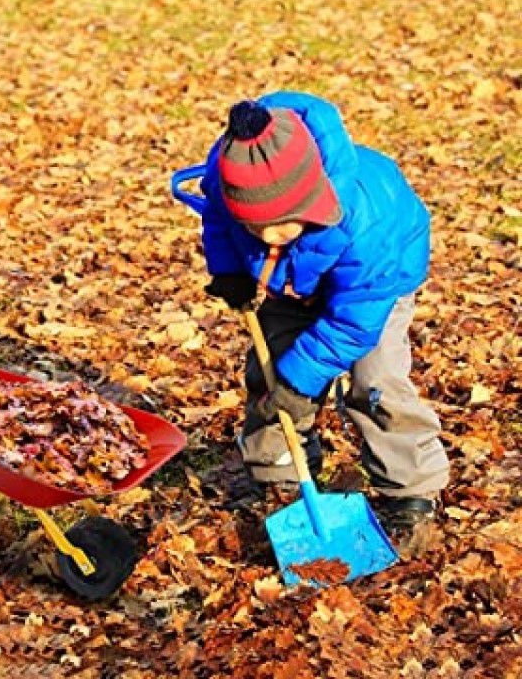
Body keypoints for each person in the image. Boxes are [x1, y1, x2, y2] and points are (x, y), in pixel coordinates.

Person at [191, 90, 449, 542]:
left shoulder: (365, 224)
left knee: (376, 382)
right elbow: (216, 216)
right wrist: (229, 268)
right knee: (269, 372)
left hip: (376, 285)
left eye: (285, 223)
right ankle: (280, 477)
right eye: (257, 226)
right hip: (291, 279)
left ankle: (410, 490)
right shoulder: (228, 174)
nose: (271, 233)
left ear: (314, 201)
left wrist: (299, 380)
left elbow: (354, 325)